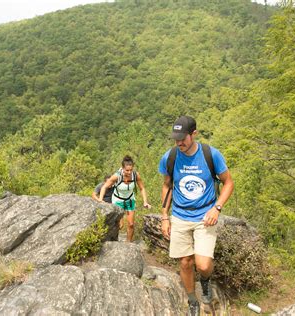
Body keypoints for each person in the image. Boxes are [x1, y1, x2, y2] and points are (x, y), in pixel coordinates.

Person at [158, 115, 234, 316]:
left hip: (205, 216)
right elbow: (167, 185)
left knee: (203, 264)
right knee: (185, 262)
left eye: (183, 138)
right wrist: (164, 216)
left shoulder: (211, 155)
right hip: (180, 215)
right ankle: (193, 301)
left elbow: (228, 183)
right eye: (176, 138)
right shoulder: (171, 156)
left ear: (194, 134)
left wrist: (216, 208)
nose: (179, 142)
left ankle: (206, 281)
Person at [99, 155, 151, 242]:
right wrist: (100, 199)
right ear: (122, 168)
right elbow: (104, 187)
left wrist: (145, 201)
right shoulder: (116, 176)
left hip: (130, 200)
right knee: (119, 225)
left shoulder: (135, 175)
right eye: (127, 170)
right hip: (117, 200)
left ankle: (128, 245)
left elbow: (142, 188)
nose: (129, 172)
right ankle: (114, 241)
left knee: (131, 224)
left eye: (131, 170)